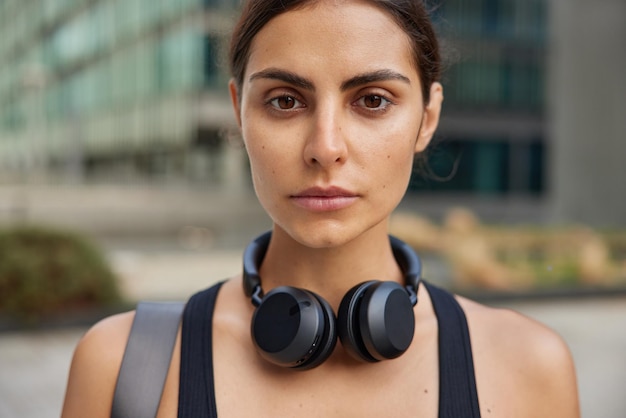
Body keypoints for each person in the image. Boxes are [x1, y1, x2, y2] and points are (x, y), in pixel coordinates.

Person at [61, 0, 580, 416]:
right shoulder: (124, 364)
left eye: (373, 100)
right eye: (285, 100)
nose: (325, 147)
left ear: (427, 118)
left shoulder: (529, 367)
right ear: (239, 112)